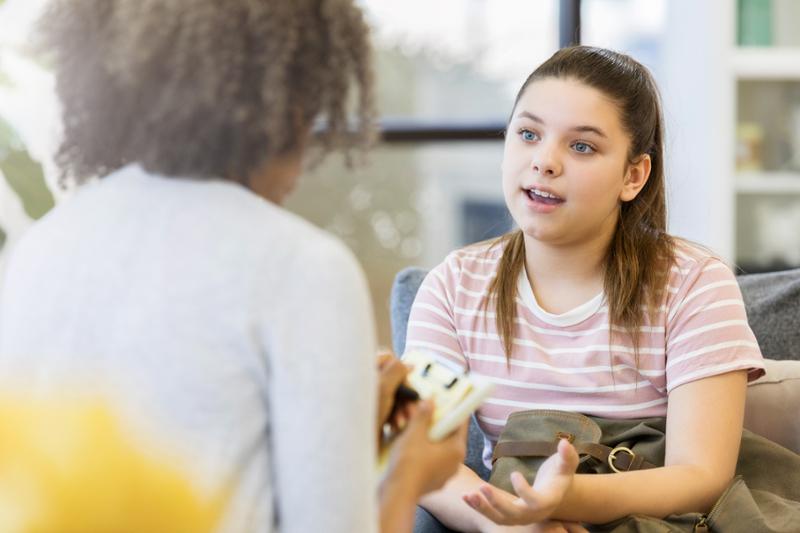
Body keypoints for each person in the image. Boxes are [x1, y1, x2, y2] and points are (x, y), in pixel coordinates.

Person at [0, 1, 466, 532]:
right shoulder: (302, 267)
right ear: (283, 101)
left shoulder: (44, 246)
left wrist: (344, 433)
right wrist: (410, 471)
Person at [405, 46, 766, 532]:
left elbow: (701, 474)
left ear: (633, 176)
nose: (544, 162)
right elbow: (425, 463)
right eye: (528, 134)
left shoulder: (695, 282)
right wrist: (507, 524)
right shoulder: (451, 286)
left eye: (582, 146)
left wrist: (564, 498)